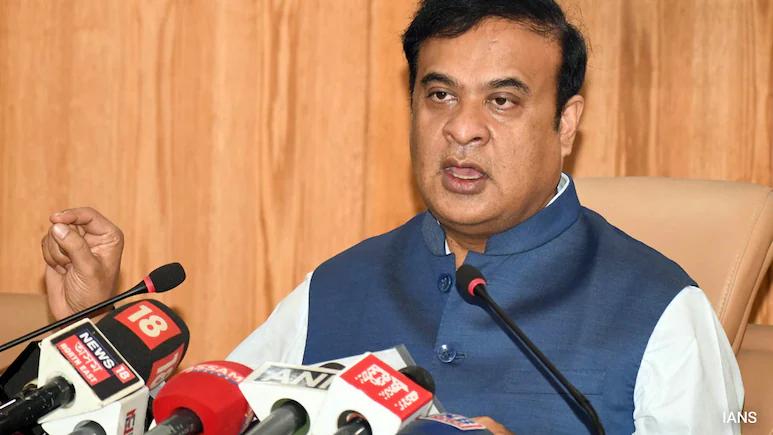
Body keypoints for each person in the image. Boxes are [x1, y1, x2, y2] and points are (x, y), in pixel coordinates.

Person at [39, 0, 743, 433]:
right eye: (439, 95)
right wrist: (89, 329)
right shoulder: (335, 286)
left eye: (501, 101)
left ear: (565, 122)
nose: (461, 128)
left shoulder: (663, 313)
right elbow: (209, 415)